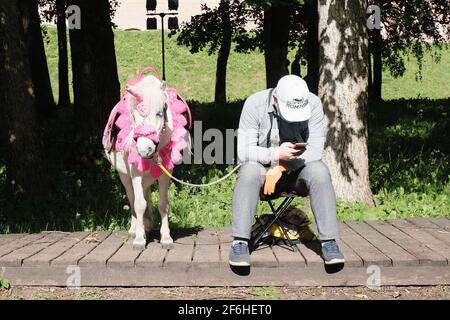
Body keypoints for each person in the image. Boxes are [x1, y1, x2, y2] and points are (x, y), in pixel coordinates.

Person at [229, 75, 345, 267]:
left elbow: (315, 150)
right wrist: (275, 155)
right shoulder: (254, 104)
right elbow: (243, 151)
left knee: (320, 172)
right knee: (248, 171)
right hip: (261, 171)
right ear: (275, 99)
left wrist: (281, 167)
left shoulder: (313, 103)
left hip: (297, 171)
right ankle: (240, 241)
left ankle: (329, 242)